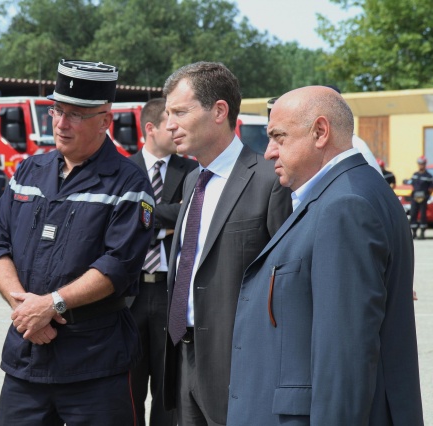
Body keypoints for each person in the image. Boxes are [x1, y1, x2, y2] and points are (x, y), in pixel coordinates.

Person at [227, 86, 424, 425]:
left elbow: (344, 358)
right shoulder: (347, 192)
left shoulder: (344, 205)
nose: (269, 152)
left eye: (279, 137)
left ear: (320, 132)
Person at [0, 59, 154, 426]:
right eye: (57, 110)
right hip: (28, 355)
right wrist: (26, 310)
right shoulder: (29, 170)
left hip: (95, 363)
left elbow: (118, 266)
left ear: (105, 120)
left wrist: (52, 304)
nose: (61, 123)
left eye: (76, 114)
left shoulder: (128, 183)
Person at [162, 62, 292, 426]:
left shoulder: (269, 180)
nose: (169, 124)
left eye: (180, 113)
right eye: (168, 114)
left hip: (240, 368)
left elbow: (287, 284)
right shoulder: (193, 181)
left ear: (219, 111)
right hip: (183, 357)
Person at [128, 98, 197, 426]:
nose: (176, 128)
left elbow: (191, 217)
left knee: (168, 384)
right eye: (169, 123)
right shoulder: (123, 170)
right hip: (131, 293)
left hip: (171, 292)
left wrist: (146, 217)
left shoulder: (192, 171)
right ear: (150, 128)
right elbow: (124, 221)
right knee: (128, 385)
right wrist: (171, 216)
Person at [408, 155, 433, 240]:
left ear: (425, 164)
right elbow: (411, 184)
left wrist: (426, 196)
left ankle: (422, 233)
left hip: (423, 198)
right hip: (414, 198)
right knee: (413, 214)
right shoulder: (415, 175)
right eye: (419, 163)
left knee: (423, 216)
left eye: (422, 163)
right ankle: (414, 233)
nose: (421, 165)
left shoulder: (429, 176)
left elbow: (430, 188)